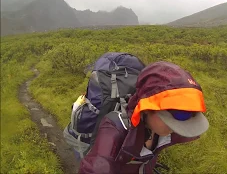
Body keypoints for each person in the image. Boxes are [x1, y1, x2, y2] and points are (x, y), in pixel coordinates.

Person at [79, 61, 209, 174]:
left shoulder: (158, 129)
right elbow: (96, 168)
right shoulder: (114, 130)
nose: (175, 127)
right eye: (170, 119)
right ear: (146, 109)